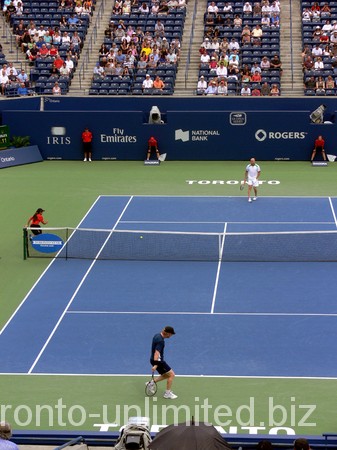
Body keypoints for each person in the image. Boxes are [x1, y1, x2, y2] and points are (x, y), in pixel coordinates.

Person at [147, 326, 177, 399]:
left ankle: (151, 383)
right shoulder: (161, 341)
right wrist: (156, 364)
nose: (171, 335)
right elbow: (156, 353)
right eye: (170, 334)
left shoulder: (157, 335)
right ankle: (167, 393)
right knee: (172, 375)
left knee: (166, 375)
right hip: (158, 361)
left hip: (154, 360)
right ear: (167, 333)